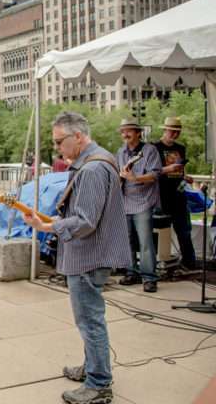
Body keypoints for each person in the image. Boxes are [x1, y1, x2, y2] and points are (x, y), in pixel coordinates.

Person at [24, 111, 131, 404]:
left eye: (60, 141)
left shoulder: (93, 169)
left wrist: (48, 226)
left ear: (79, 137)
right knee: (89, 318)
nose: (58, 147)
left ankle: (98, 384)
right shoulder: (97, 161)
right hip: (92, 254)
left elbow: (85, 221)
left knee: (89, 320)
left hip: (89, 256)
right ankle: (93, 367)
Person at [115, 118, 162, 293]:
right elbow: (119, 174)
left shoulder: (150, 150)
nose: (125, 134)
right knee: (126, 241)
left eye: (128, 131)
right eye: (122, 131)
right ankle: (131, 272)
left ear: (138, 133)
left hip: (143, 202)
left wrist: (135, 178)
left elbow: (155, 174)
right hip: (125, 202)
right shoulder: (121, 152)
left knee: (145, 242)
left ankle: (149, 278)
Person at [153, 116, 197, 270]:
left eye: (177, 132)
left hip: (179, 195)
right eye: (172, 131)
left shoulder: (180, 148)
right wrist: (168, 169)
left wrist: (185, 176)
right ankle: (151, 264)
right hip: (161, 196)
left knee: (184, 231)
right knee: (155, 232)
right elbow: (150, 172)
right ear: (165, 130)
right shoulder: (154, 148)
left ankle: (189, 262)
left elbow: (179, 171)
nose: (175, 135)